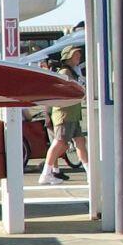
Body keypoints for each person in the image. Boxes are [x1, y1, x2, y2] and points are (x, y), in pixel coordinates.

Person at [38, 45, 88, 185]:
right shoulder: (66, 72)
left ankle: (89, 173)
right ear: (68, 57)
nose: (78, 57)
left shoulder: (72, 71)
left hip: (72, 113)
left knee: (80, 142)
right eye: (75, 55)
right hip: (65, 113)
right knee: (60, 142)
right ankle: (46, 173)